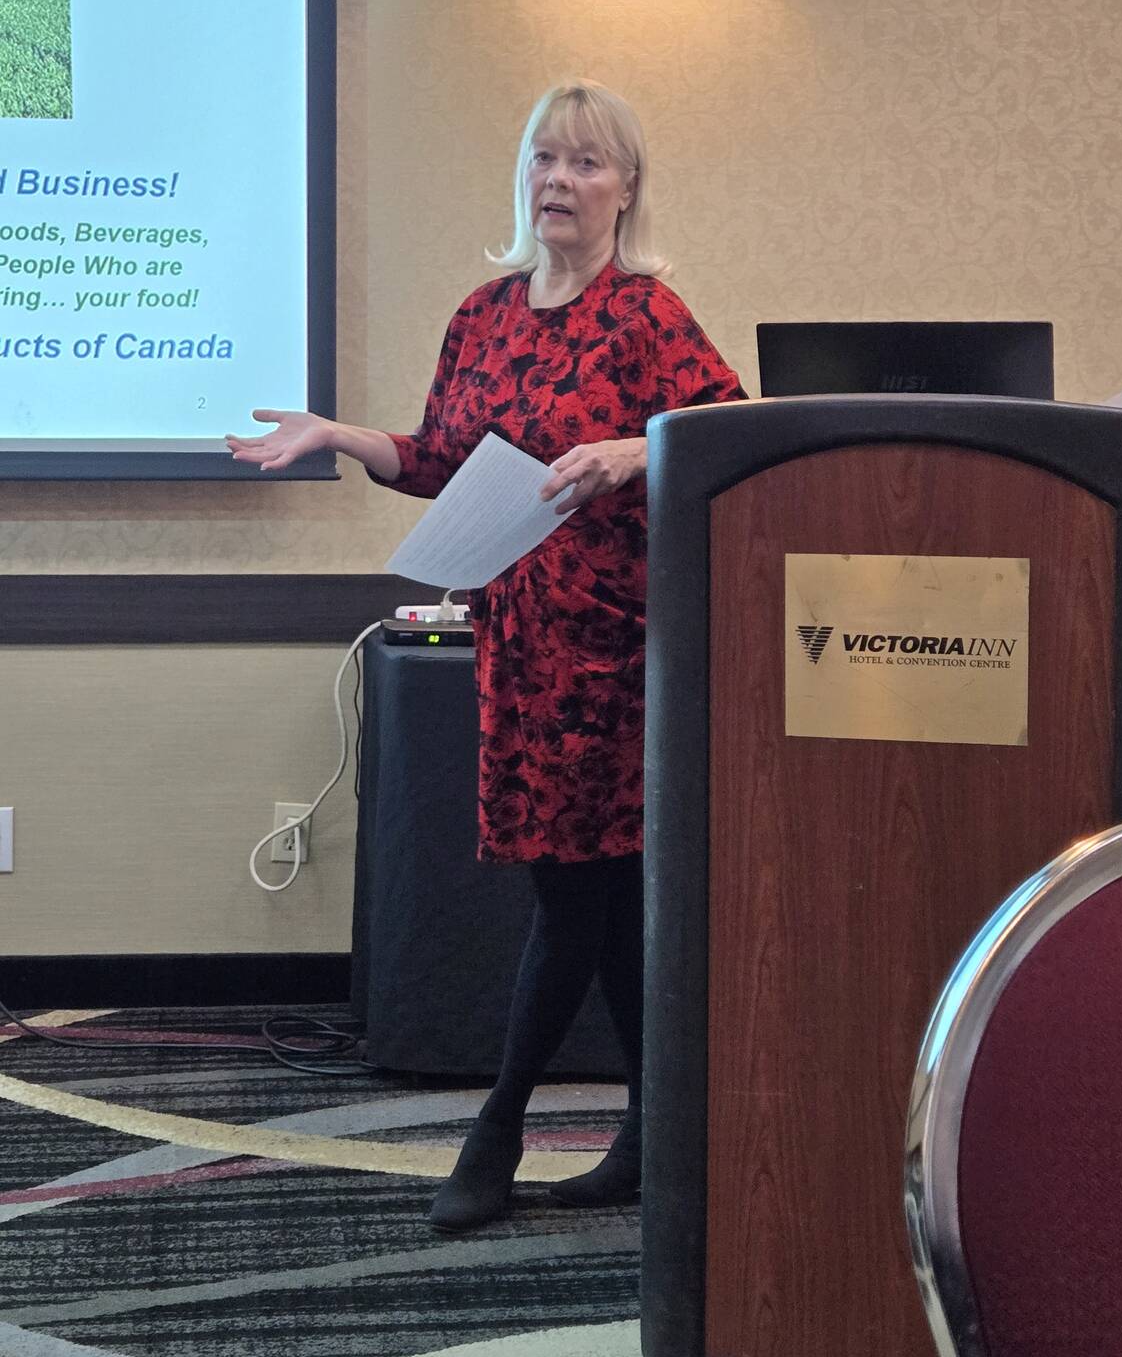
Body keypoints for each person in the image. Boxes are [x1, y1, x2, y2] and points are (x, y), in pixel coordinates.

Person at [227, 80, 744, 1231]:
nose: (559, 179)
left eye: (587, 163)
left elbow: (725, 437)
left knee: (574, 898)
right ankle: (656, 1135)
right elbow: (440, 457)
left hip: (623, 658)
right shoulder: (484, 315)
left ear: (627, 189)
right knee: (602, 897)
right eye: (545, 158)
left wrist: (632, 449)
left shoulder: (648, 316)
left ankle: (497, 1129)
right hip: (520, 649)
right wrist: (337, 434)